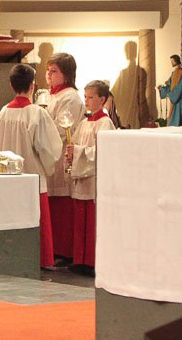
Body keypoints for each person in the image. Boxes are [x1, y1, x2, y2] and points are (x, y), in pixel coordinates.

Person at [0, 64, 63, 269]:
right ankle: (40, 260)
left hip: (8, 178)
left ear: (11, 85)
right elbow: (48, 148)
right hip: (32, 176)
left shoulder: (3, 112)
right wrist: (49, 166)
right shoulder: (36, 113)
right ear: (33, 85)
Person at [64, 80, 116, 275]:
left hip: (94, 179)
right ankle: (80, 259)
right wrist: (71, 152)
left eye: (91, 97)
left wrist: (78, 151)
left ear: (102, 99)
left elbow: (102, 151)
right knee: (80, 220)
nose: (86, 101)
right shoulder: (84, 123)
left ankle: (93, 262)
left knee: (93, 221)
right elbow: (76, 144)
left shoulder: (105, 123)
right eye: (85, 97)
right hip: (82, 178)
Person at [44, 52, 85, 265]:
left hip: (60, 154)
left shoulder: (70, 97)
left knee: (62, 202)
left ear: (66, 74)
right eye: (48, 71)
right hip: (50, 153)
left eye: (54, 71)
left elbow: (61, 129)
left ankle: (64, 251)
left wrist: (41, 137)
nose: (48, 75)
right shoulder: (51, 95)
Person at [157, 54, 182, 126]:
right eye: (171, 61)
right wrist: (162, 89)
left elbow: (180, 87)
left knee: (180, 121)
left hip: (180, 100)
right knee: (172, 121)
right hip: (174, 99)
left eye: (172, 61)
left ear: (176, 61)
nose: (171, 63)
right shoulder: (173, 73)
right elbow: (169, 86)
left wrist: (172, 95)